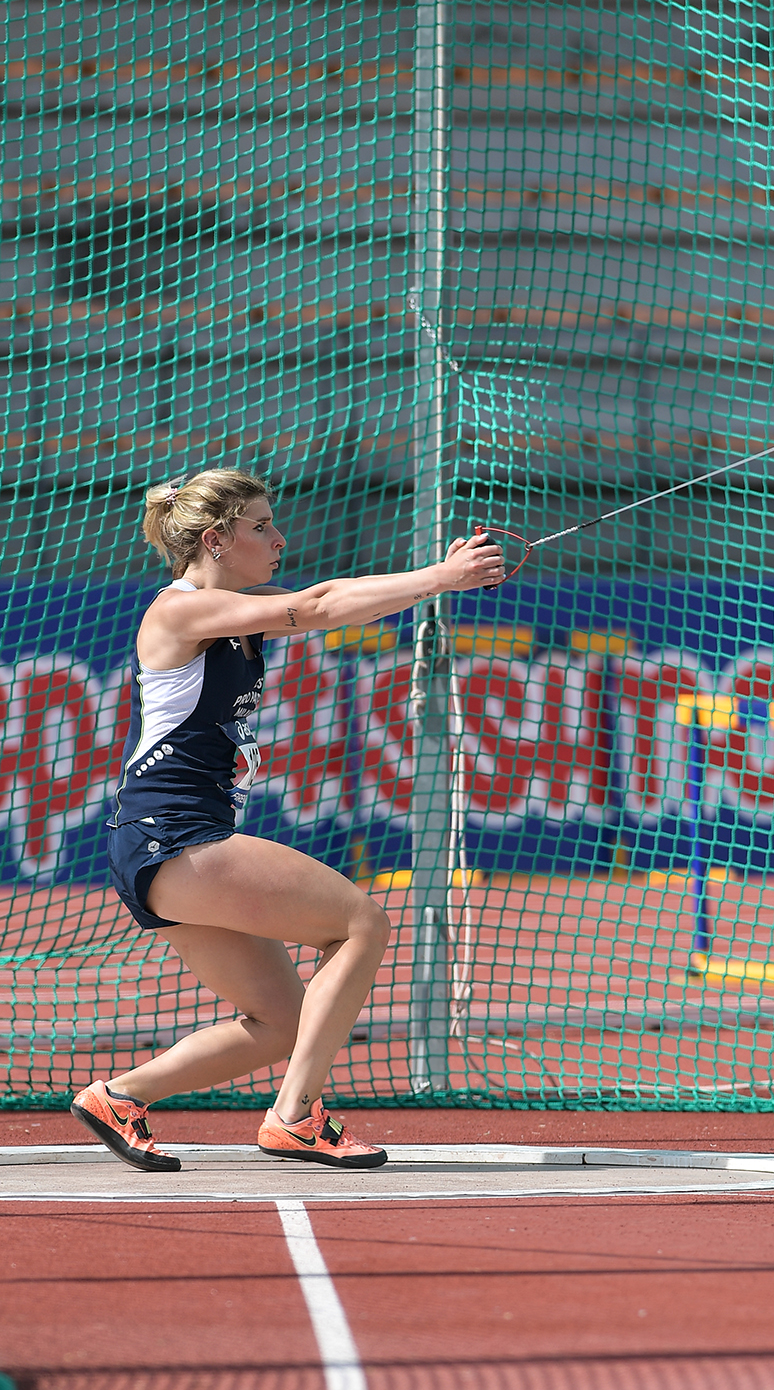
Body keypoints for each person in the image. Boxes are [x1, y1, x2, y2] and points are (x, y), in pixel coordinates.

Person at [71, 468, 504, 1172]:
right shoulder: (178, 611)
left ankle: (119, 1097)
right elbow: (318, 604)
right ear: (216, 540)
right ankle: (296, 1117)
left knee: (282, 1022)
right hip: (172, 836)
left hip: (161, 844)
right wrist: (441, 576)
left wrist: (440, 582)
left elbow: (335, 603)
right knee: (362, 924)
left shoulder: (245, 610)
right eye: (261, 525)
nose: (279, 538)